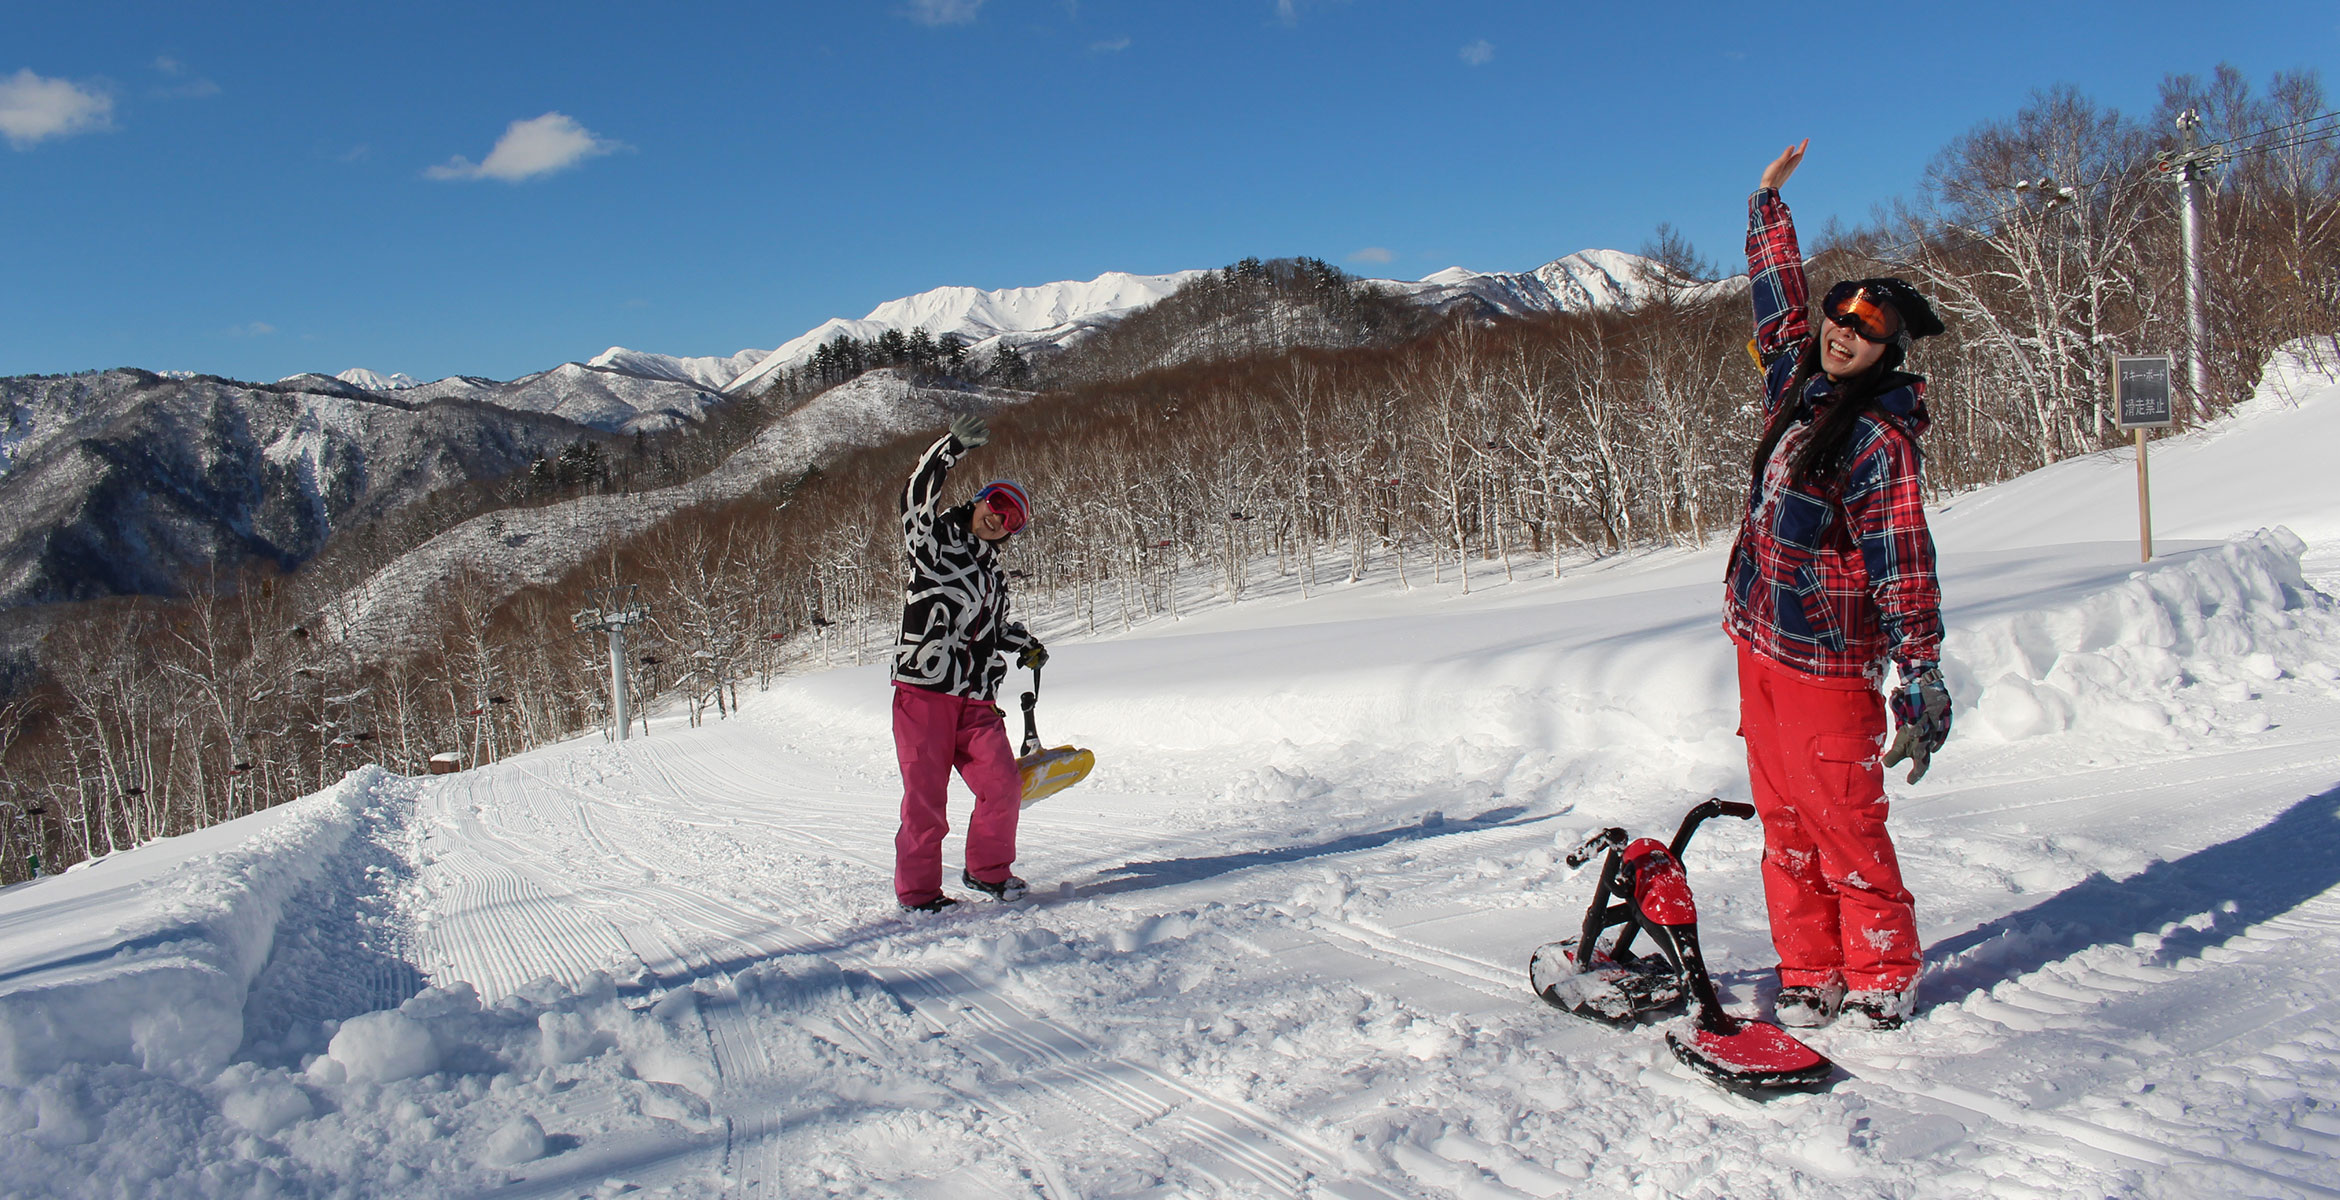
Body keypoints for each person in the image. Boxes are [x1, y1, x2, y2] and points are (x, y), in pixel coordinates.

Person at [1726, 139, 1954, 1031]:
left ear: (1888, 351)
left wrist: (1921, 669)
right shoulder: (1800, 385)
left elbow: (1903, 565)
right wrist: (1766, 208)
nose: (1839, 334)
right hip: (1758, 643)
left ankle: (1882, 970)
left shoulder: (1877, 442)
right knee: (1783, 823)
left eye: (1863, 330)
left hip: (1826, 661)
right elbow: (1779, 314)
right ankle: (1810, 967)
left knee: (1843, 818)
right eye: (1838, 319)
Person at [891, 412, 1048, 913]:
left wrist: (1024, 642)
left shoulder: (994, 578)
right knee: (926, 803)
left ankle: (986, 871)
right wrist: (949, 449)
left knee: (1003, 784)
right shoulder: (935, 544)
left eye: (1012, 520)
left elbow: (994, 628)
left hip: (976, 696)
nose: (1000, 519)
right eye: (997, 505)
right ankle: (918, 894)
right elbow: (914, 499)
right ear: (981, 499)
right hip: (925, 690)